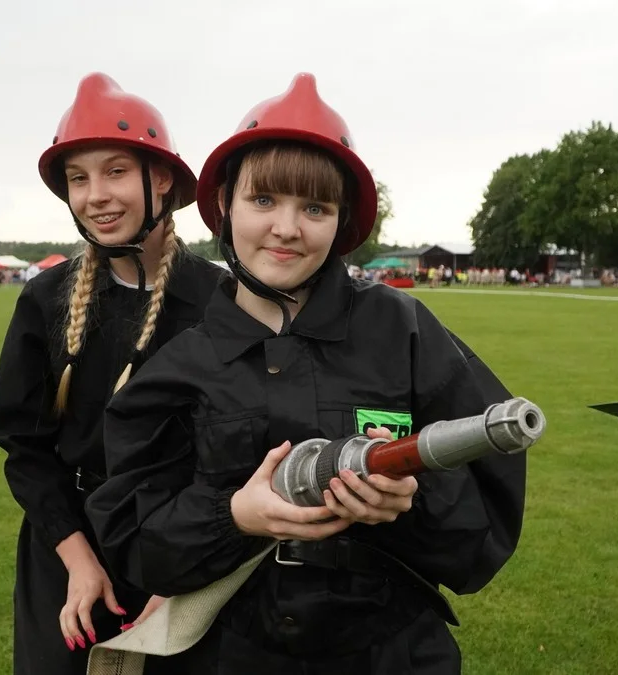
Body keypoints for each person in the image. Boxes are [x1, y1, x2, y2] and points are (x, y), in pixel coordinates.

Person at [85, 73, 527, 674]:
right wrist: (233, 515)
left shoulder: (405, 331)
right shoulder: (181, 364)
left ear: (340, 221)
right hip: (230, 657)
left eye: (314, 207)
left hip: (392, 655)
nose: (287, 228)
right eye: (263, 200)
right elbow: (136, 545)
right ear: (224, 207)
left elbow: (483, 536)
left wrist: (407, 500)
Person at [0, 73, 225, 675]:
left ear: (161, 178)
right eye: (78, 177)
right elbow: (24, 447)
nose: (96, 195)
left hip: (186, 547)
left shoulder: (221, 302)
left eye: (115, 171)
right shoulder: (45, 300)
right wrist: (78, 561)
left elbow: (238, 450)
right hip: (67, 549)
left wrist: (185, 576)